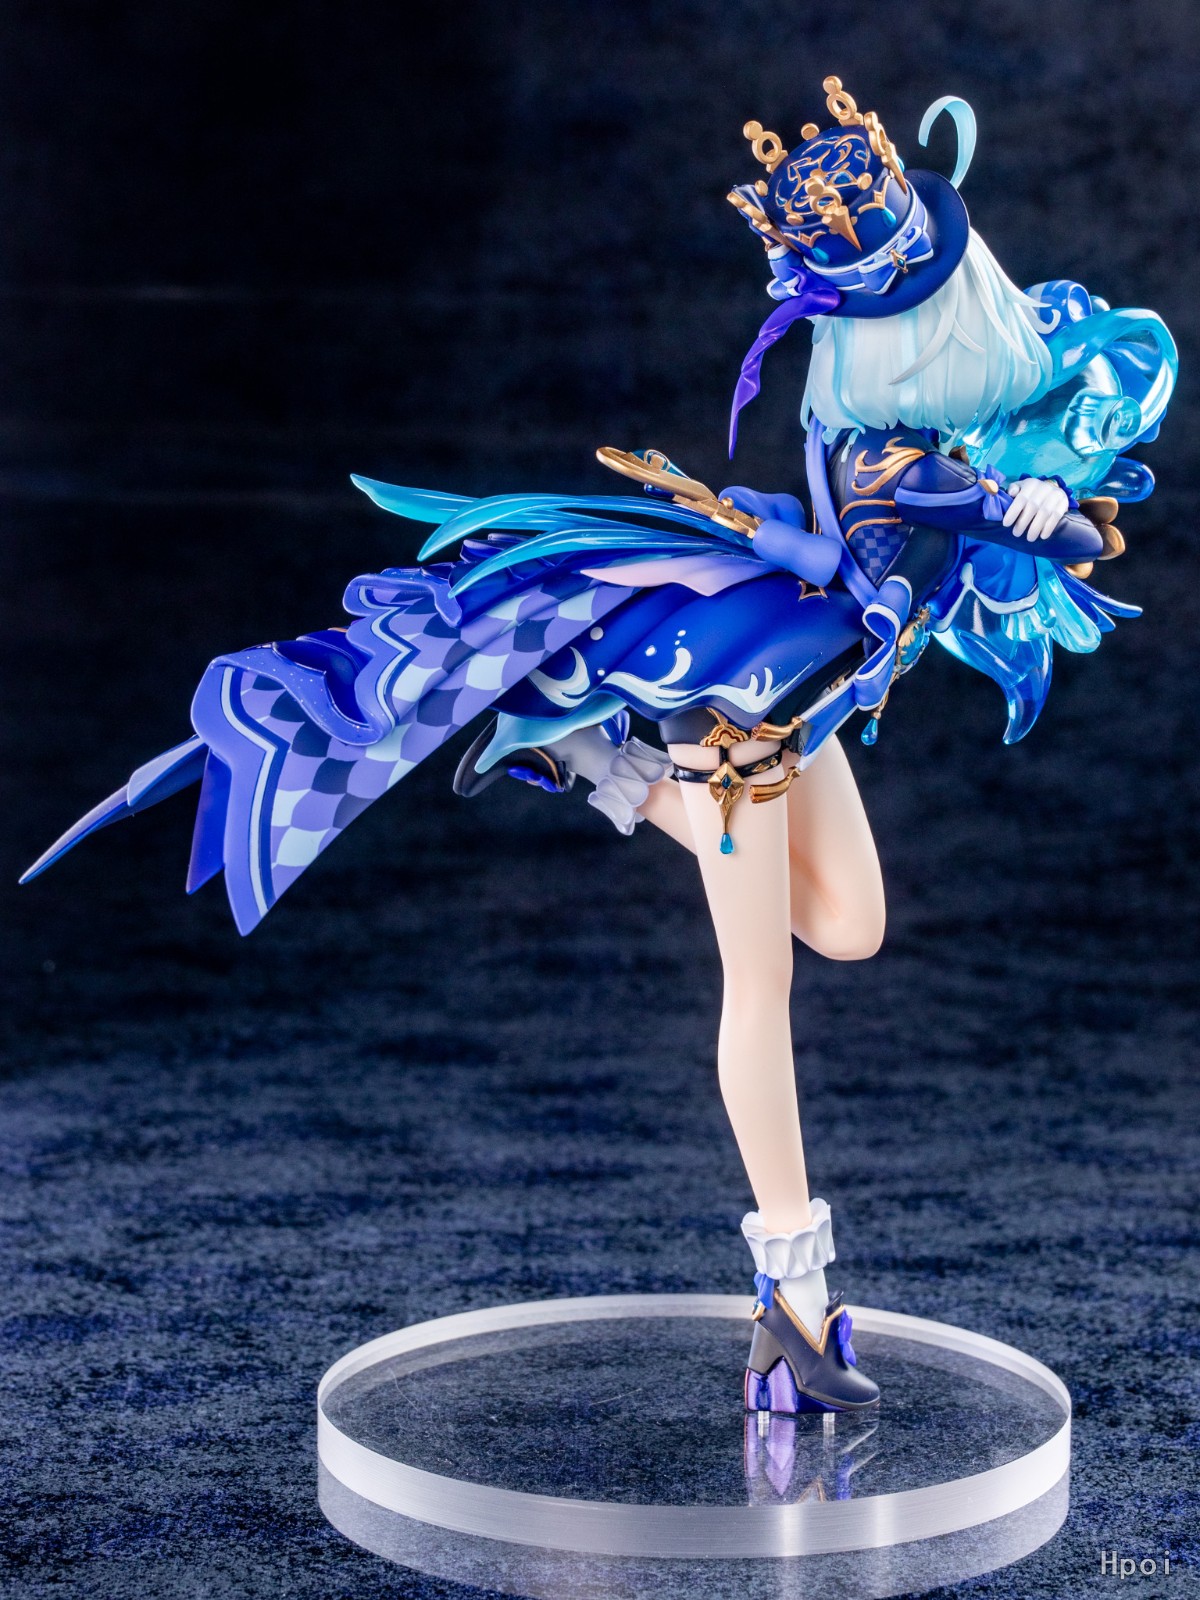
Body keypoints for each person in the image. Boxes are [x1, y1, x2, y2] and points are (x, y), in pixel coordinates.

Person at [22, 77, 1174, 1418]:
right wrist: (1042, 505)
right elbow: (1062, 523)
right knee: (759, 986)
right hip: (741, 712)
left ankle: (596, 767)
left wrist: (923, 507)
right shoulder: (902, 463)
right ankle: (794, 1299)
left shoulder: (890, 436)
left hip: (802, 676)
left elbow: (882, 532)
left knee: (851, 925)